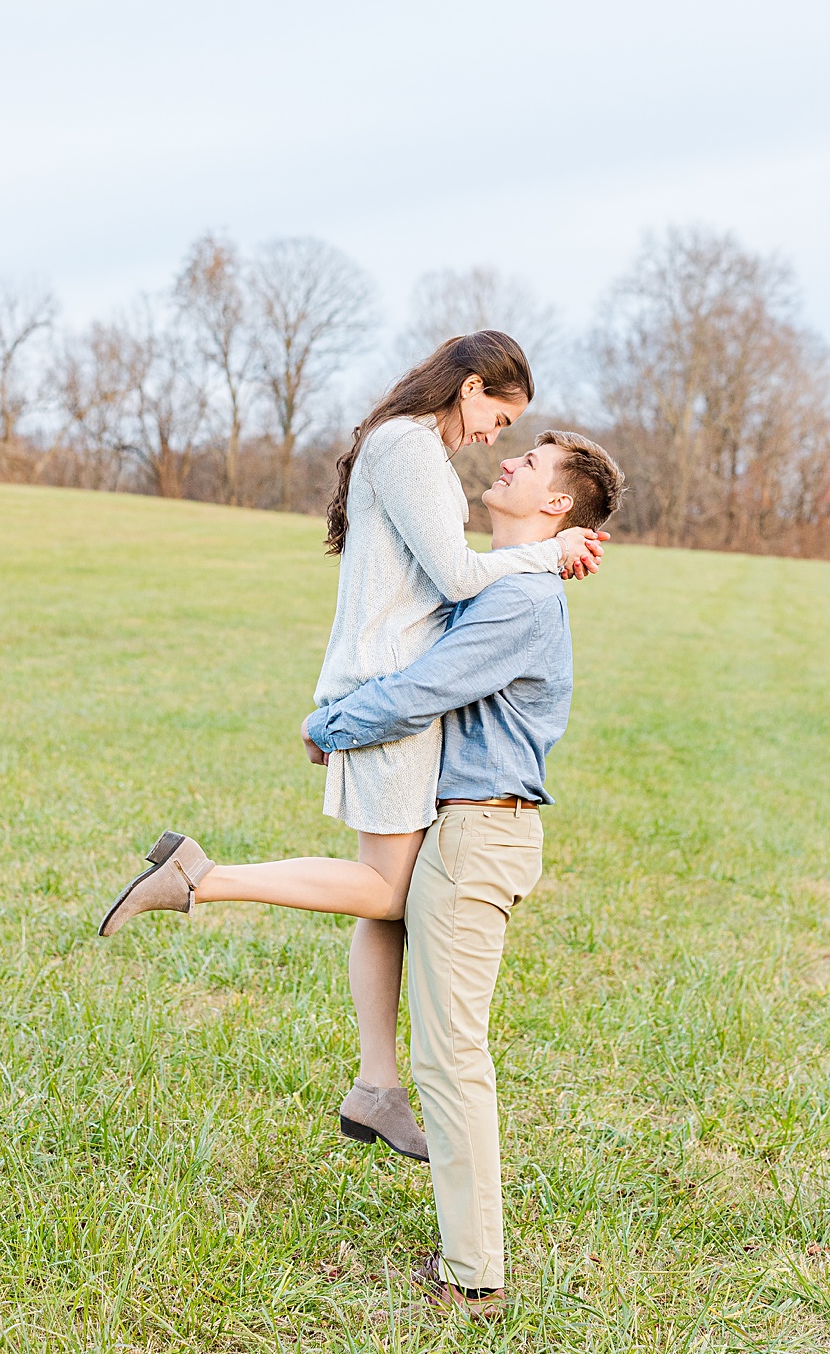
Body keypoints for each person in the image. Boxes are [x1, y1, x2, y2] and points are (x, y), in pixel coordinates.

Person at [98, 334, 606, 1160]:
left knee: (390, 899)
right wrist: (548, 552)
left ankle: (375, 1085)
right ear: (471, 388)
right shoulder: (409, 448)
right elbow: (454, 576)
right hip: (390, 698)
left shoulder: (413, 450)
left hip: (388, 694)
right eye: (498, 417)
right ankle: (202, 877)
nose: (495, 440)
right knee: (385, 889)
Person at [302, 430, 625, 1316]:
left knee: (450, 1057)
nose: (509, 462)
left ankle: (474, 1270)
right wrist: (548, 556)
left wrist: (328, 726)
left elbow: (422, 689)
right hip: (469, 829)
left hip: (480, 836)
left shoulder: (523, 605)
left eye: (532, 465)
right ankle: (383, 1105)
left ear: (558, 505)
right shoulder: (520, 582)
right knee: (442, 1037)